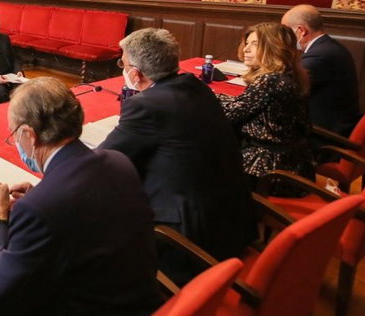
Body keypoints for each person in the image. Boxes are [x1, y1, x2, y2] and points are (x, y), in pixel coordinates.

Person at [0, 77, 159, 315]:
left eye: (13, 133)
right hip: (140, 299)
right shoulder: (119, 161)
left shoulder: (38, 208)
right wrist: (40, 197)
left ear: (28, 134)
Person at [98, 28, 256, 285]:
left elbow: (103, 160)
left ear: (136, 74)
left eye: (123, 63)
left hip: (187, 240)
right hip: (232, 219)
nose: (122, 69)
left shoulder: (147, 105)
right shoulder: (195, 86)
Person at [219, 22, 315, 194]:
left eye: (254, 44)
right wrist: (217, 97)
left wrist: (206, 97)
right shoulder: (289, 73)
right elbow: (241, 105)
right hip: (294, 163)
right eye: (247, 43)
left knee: (201, 159)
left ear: (273, 47)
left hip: (268, 169)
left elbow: (230, 114)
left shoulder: (269, 80)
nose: (246, 49)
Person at [281, 4, 360, 137]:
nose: (284, 38)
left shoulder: (320, 55)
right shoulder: (328, 46)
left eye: (285, 33)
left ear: (301, 31)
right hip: (335, 122)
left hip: (324, 133)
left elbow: (285, 87)